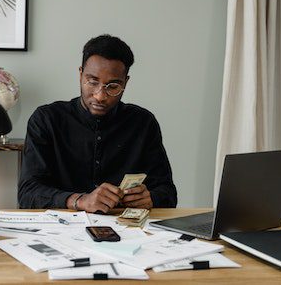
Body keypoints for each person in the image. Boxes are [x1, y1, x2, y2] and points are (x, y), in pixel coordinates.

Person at [18, 34, 177, 213]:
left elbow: (168, 193)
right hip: (60, 230)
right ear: (80, 74)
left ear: (126, 82)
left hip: (126, 232)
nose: (100, 96)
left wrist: (151, 198)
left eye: (113, 86)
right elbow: (27, 193)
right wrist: (80, 201)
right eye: (92, 82)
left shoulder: (143, 123)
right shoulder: (46, 120)